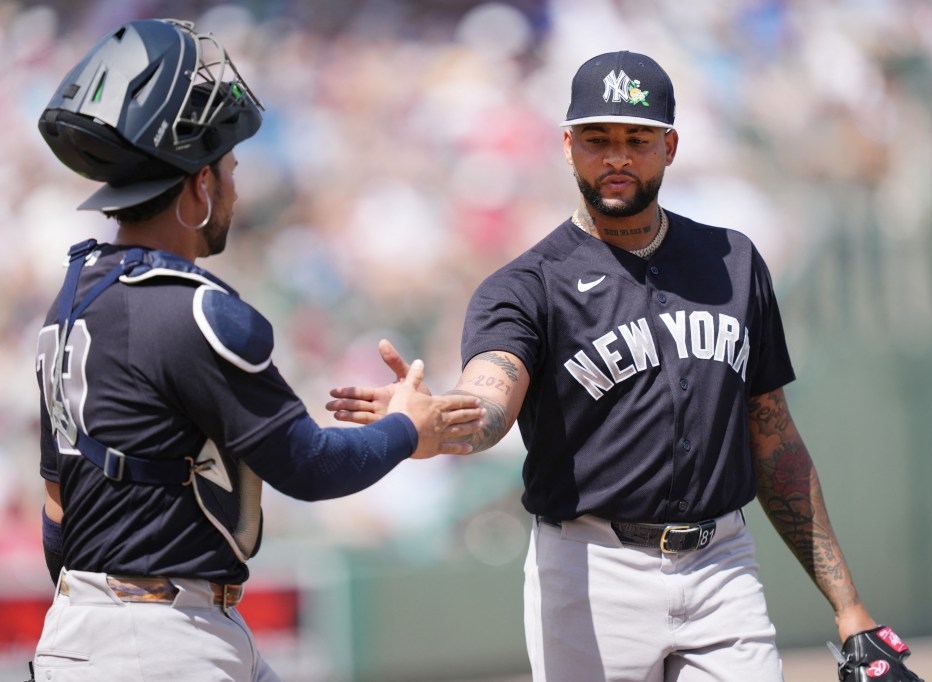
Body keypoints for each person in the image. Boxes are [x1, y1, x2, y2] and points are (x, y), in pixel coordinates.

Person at [328, 51, 898, 681]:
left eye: (637, 139)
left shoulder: (735, 262)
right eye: (598, 139)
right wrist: (435, 423)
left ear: (670, 146)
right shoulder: (526, 286)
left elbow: (774, 439)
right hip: (589, 569)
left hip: (722, 563)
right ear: (568, 146)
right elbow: (492, 397)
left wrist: (850, 610)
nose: (618, 157)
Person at [31, 18, 482, 682]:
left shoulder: (72, 296)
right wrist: (404, 430)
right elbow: (309, 466)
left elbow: (55, 507)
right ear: (199, 184)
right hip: (159, 643)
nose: (235, 189)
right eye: (230, 167)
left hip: (87, 628)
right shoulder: (192, 308)